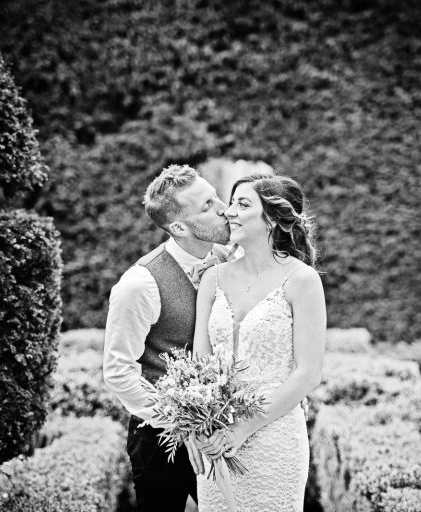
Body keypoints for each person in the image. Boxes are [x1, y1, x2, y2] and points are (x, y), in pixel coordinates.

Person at [193, 172, 327, 511]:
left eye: (242, 204)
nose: (228, 212)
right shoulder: (213, 277)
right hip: (217, 438)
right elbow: (201, 360)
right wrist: (201, 421)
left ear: (270, 219)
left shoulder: (302, 280)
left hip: (275, 436)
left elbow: (308, 373)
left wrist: (245, 427)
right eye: (232, 202)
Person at [103, 164, 233, 512]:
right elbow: (118, 371)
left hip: (222, 430)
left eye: (216, 196)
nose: (223, 207)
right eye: (207, 205)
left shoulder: (231, 261)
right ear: (178, 226)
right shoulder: (139, 284)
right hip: (160, 439)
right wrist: (181, 422)